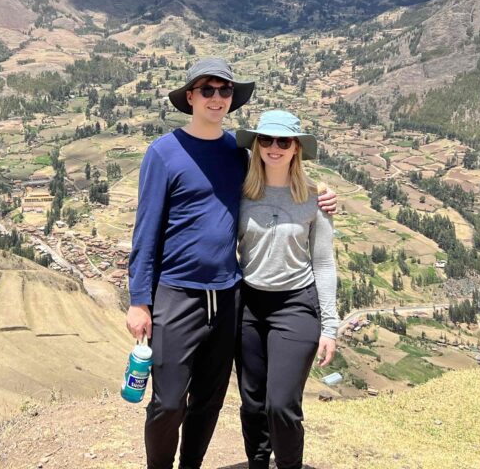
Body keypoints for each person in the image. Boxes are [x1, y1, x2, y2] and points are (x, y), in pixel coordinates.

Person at [127, 59, 337, 469]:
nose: (217, 98)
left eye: (225, 91)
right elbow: (145, 230)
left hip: (228, 296)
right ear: (190, 97)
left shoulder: (236, 153)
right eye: (208, 90)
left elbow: (280, 186)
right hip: (177, 292)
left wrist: (325, 195)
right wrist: (139, 299)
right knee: (168, 402)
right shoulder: (163, 153)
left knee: (209, 399)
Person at [234, 110, 339, 469]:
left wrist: (330, 327)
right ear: (256, 145)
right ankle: (258, 464)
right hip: (249, 305)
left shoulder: (315, 199)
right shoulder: (241, 195)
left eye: (284, 141)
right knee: (252, 401)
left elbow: (324, 263)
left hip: (296, 304)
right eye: (266, 140)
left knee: (281, 403)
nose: (274, 147)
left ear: (296, 148)